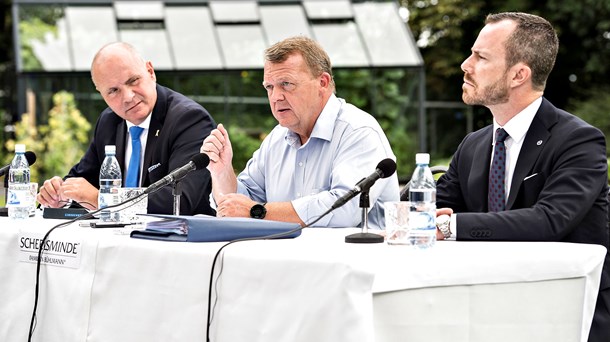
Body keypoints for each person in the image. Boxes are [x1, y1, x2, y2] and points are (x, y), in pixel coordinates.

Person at [434, 12, 609, 342]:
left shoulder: (579, 141)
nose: (465, 65)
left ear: (518, 75)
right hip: (487, 309)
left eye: (480, 56)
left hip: (568, 315)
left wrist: (449, 226)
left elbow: (549, 220)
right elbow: (431, 206)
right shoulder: (473, 145)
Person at [200, 36, 399, 229]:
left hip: (351, 260)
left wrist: (259, 211)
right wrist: (222, 173)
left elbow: (346, 208)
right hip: (287, 259)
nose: (276, 97)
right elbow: (239, 205)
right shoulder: (276, 138)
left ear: (322, 82)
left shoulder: (358, 131)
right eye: (269, 87)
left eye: (286, 84)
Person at [37, 42, 216, 215]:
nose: (128, 97)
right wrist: (60, 196)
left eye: (133, 81)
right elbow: (83, 181)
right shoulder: (109, 121)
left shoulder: (189, 119)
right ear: (102, 94)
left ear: (150, 72)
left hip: (177, 241)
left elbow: (180, 200)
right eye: (114, 91)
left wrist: (102, 199)